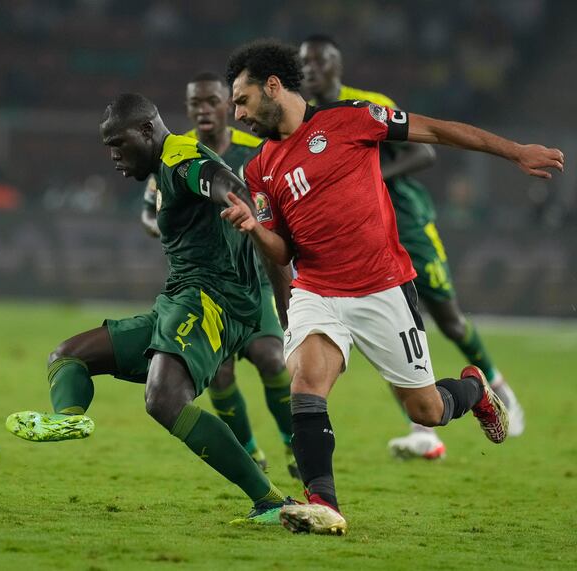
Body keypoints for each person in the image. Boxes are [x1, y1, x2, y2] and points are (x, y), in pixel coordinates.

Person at [222, 40, 563, 535]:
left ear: (273, 86)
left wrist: (514, 152)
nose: (238, 112)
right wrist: (255, 229)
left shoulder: (352, 119)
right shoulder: (259, 168)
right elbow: (284, 252)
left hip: (382, 288)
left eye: (243, 99)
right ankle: (324, 502)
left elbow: (437, 132)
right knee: (307, 383)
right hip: (319, 290)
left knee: (426, 411)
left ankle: (474, 389)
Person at [6, 93, 296, 523]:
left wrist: (235, 198)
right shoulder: (163, 169)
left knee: (164, 399)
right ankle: (68, 417)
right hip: (178, 300)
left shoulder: (180, 158)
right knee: (67, 356)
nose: (113, 156)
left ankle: (270, 499)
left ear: (146, 130)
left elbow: (216, 178)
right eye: (108, 147)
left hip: (211, 299)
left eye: (118, 144)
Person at [298, 34, 525, 460]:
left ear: (337, 65)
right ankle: (421, 429)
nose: (310, 67)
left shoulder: (364, 103)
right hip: (365, 235)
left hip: (408, 222)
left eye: (319, 60)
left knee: (451, 320)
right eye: (303, 61)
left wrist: (374, 177)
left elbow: (425, 153)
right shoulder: (304, 120)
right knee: (384, 323)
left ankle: (495, 383)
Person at [141, 71, 295, 477]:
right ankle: (250, 453)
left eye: (211, 101)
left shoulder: (255, 146)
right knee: (221, 372)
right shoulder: (175, 152)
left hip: (254, 276)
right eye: (195, 104)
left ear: (227, 105)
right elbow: (148, 212)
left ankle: (293, 445)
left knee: (271, 359)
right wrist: (173, 223)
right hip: (206, 281)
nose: (203, 110)